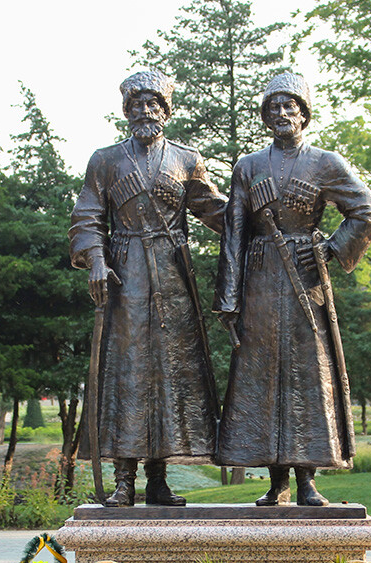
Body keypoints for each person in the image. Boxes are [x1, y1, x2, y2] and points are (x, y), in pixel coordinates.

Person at [214, 73, 371, 506]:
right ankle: (276, 481)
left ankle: (307, 480)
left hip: (305, 282)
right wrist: (229, 297)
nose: (281, 114)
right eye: (273, 108)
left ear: (304, 113)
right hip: (259, 281)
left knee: (308, 375)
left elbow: (368, 209)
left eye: (289, 106)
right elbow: (233, 233)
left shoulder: (326, 162)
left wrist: (330, 248)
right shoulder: (248, 166)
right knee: (262, 376)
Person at [69, 71, 226, 506]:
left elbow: (215, 211)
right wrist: (96, 261)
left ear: (166, 110)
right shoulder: (106, 160)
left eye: (152, 103)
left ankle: (158, 479)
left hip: (174, 279)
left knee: (169, 375)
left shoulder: (186, 159)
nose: (144, 110)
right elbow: (87, 216)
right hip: (126, 277)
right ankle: (124, 479)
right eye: (136, 103)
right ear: (126, 112)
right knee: (129, 374)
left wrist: (260, 216)